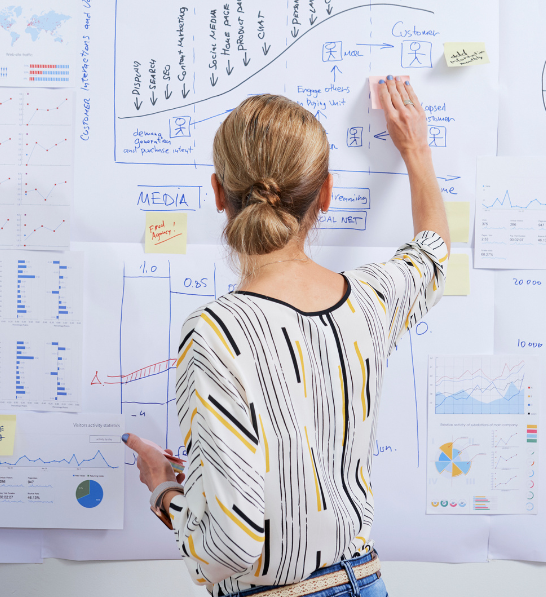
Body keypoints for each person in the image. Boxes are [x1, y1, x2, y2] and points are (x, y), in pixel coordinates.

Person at [124, 76, 449, 597]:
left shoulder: (214, 333)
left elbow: (231, 547)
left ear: (216, 193)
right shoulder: (371, 300)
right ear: (325, 191)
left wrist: (164, 491)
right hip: (366, 581)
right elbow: (432, 254)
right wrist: (415, 147)